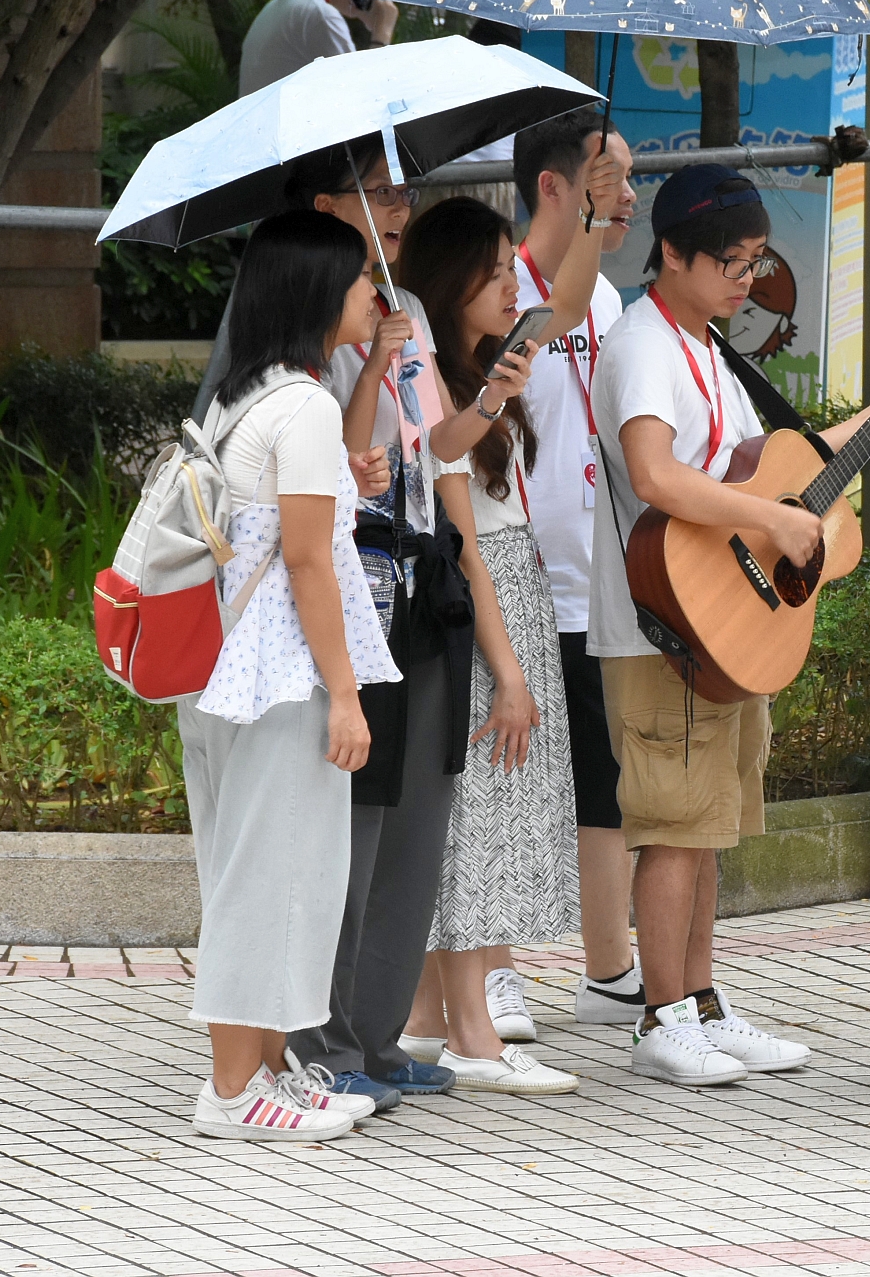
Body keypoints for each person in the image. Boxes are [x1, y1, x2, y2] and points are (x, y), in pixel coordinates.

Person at [589, 163, 870, 1086]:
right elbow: (655, 474)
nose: (747, 282)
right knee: (673, 825)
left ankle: (701, 1002)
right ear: (672, 253)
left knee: (708, 824)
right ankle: (661, 1017)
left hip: (724, 627)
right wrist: (768, 522)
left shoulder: (710, 347)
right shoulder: (643, 344)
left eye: (756, 262)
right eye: (732, 263)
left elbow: (792, 469)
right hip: (664, 622)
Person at [281, 140, 530, 1106]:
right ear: (329, 205)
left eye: (402, 193)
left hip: (425, 585)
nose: (398, 210)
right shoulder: (308, 321)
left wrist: (492, 394)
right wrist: (368, 367)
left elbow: (435, 444)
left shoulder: (411, 308)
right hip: (354, 591)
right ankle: (325, 1038)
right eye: (378, 193)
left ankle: (379, 1035)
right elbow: (334, 467)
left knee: (416, 825)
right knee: (354, 823)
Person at [180, 209, 404, 1140]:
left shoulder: (245, 395)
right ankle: (234, 1091)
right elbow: (309, 561)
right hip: (279, 677)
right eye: (360, 280)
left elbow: (283, 526)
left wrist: (349, 477)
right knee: (270, 876)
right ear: (317, 292)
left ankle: (270, 1068)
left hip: (229, 669)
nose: (373, 294)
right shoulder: (304, 405)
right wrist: (346, 695)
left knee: (262, 868)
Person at [388, 196, 581, 1095]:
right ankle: (475, 1034)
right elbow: (462, 536)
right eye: (495, 271)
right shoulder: (433, 375)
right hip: (483, 605)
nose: (512, 286)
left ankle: (430, 1019)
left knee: (481, 812)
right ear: (450, 277)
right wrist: (507, 671)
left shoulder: (468, 371)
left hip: (506, 595)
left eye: (513, 268)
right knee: (479, 820)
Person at [505, 110, 640, 1037]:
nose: (627, 197)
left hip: (601, 582)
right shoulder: (502, 291)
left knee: (606, 785)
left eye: (628, 179)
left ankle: (609, 969)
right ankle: (493, 974)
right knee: (506, 787)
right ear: (554, 186)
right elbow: (550, 313)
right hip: (519, 581)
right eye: (608, 178)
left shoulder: (612, 302)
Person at [239, 0, 397, 97]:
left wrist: (372, 22)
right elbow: (359, 96)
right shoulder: (319, 15)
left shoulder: (283, 4)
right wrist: (382, 34)